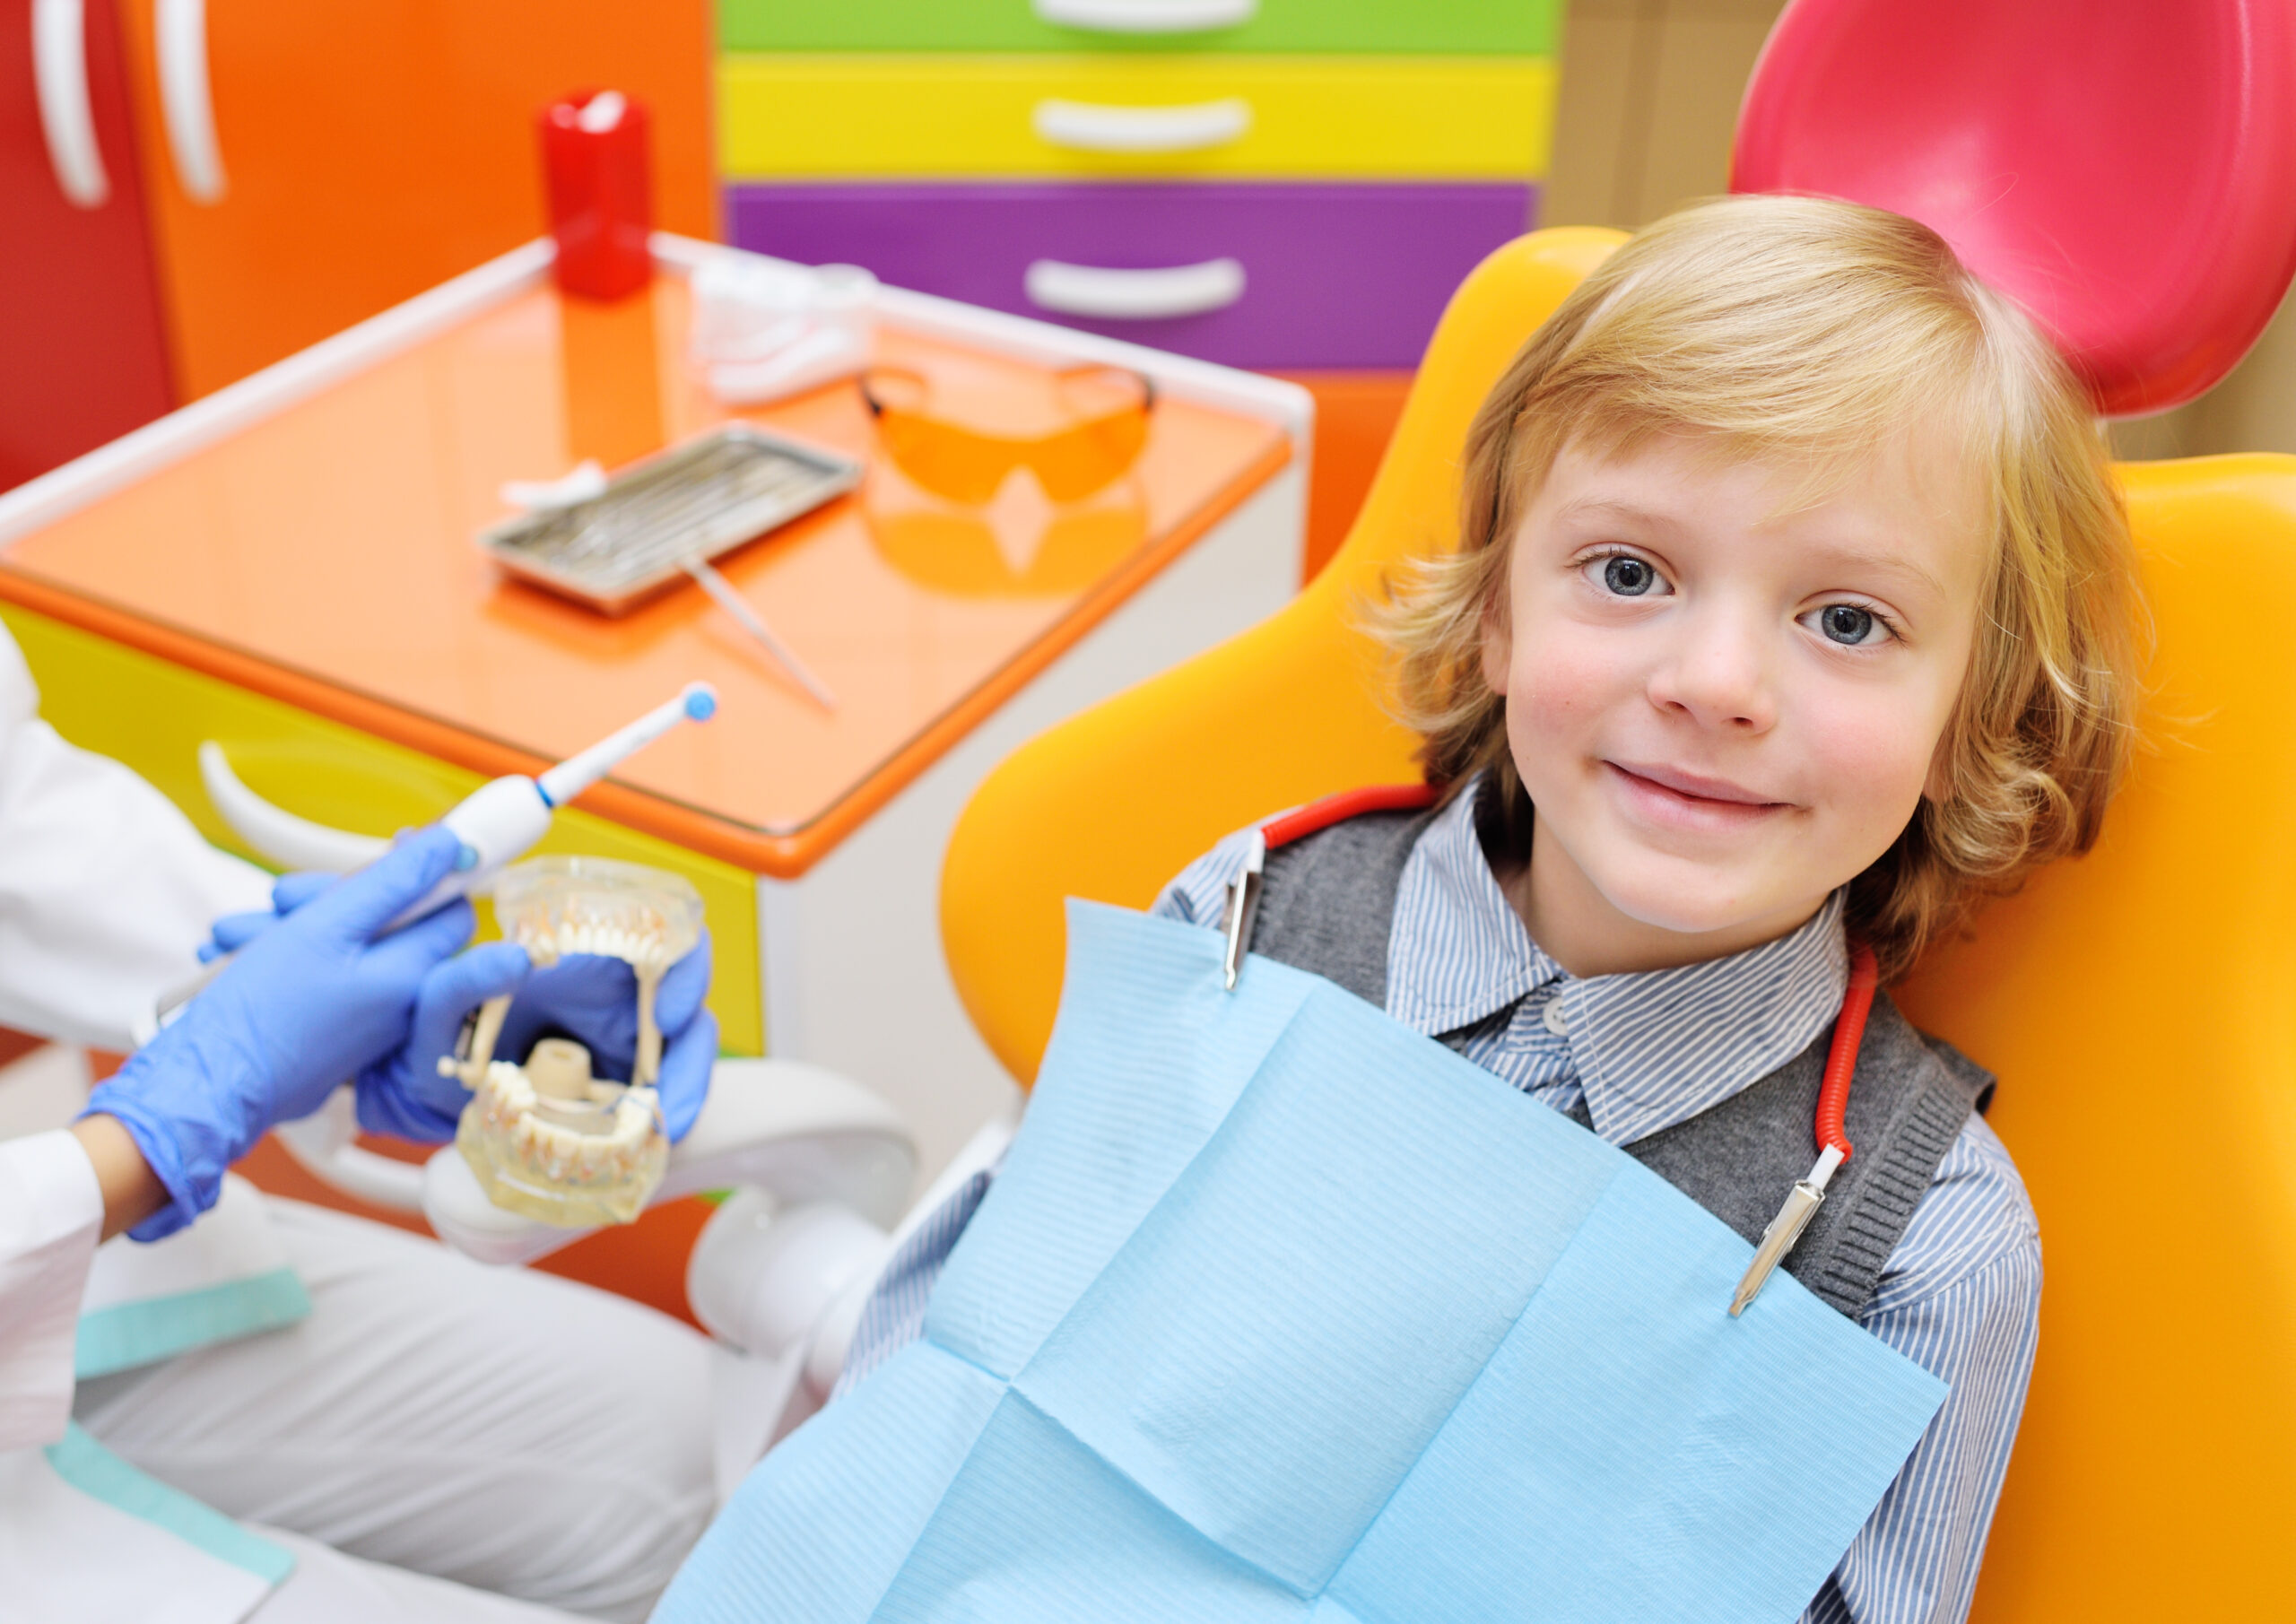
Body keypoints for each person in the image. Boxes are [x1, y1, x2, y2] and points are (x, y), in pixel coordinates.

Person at [791, 195, 2142, 1624]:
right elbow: (951, 1369)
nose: (1718, 681)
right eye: (1630, 573)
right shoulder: (1239, 924)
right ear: (1498, 608)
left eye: (1848, 619)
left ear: (1976, 717)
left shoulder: (1925, 1244)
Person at [0, 624, 720, 1623]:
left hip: (62, 1269)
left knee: (688, 1444)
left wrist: (329, 981)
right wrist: (163, 1126)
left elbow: (24, 825)